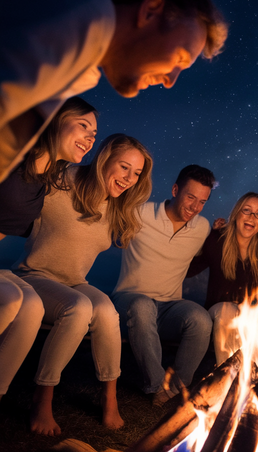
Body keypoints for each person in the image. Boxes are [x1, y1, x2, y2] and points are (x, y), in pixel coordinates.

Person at [0, 0, 228, 183]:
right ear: (150, 10)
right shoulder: (81, 12)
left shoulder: (82, 55)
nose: (171, 80)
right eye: (179, 58)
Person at [13, 133, 153, 436]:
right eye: (124, 167)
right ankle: (43, 398)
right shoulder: (62, 181)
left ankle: (109, 398)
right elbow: (23, 181)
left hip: (75, 281)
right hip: (35, 276)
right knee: (78, 308)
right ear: (105, 159)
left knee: (106, 311)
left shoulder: (118, 205)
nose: (130, 178)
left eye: (137, 173)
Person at [0, 96, 97, 404]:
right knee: (13, 298)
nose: (90, 138)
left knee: (32, 307)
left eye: (94, 135)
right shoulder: (13, 152)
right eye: (83, 126)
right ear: (56, 119)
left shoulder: (45, 181)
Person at [111, 165, 216, 408]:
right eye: (190, 197)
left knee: (201, 319)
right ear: (175, 189)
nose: (194, 207)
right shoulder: (139, 213)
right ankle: (157, 386)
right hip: (129, 301)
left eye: (202, 202)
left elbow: (204, 255)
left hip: (169, 307)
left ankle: (177, 388)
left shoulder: (201, 228)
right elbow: (109, 232)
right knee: (142, 306)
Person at [187, 192, 258, 365]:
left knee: (256, 323)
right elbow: (189, 268)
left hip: (251, 316)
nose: (252, 217)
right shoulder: (217, 240)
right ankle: (229, 377)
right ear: (237, 213)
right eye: (247, 210)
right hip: (218, 312)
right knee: (228, 311)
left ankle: (252, 384)